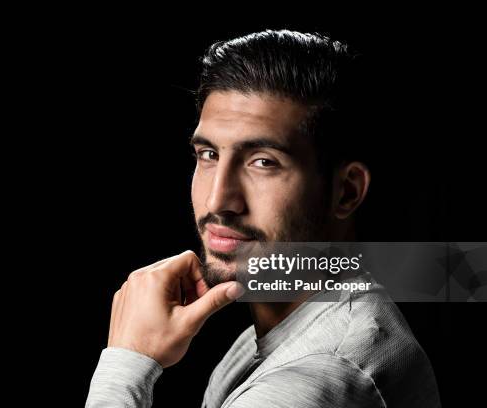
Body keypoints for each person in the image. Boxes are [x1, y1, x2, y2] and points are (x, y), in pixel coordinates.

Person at [86, 29, 441, 407]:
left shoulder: (313, 381)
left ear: (346, 191)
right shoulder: (298, 324)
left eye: (263, 163)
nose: (218, 199)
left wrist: (128, 362)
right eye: (208, 155)